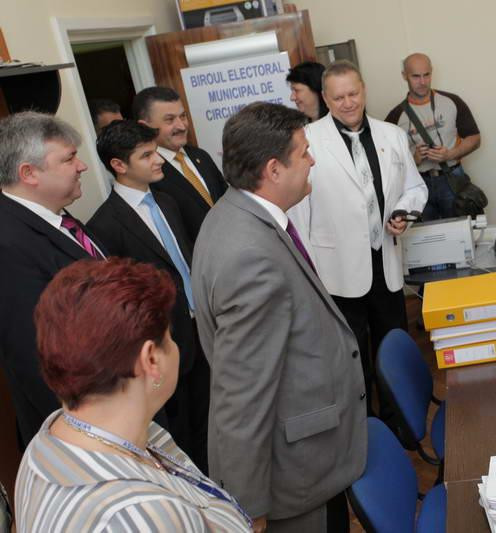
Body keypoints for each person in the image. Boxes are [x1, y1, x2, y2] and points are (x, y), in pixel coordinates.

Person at [192, 102, 366, 533]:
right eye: (304, 152)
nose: (312, 161)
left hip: (312, 456)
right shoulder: (249, 255)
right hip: (295, 479)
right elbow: (241, 395)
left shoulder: (238, 214)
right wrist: (247, 506)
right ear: (273, 169)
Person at [14, 258, 251, 531]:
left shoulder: (56, 434)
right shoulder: (139, 518)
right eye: (170, 336)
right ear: (151, 359)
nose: (175, 346)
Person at [289, 60, 427, 418]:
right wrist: (307, 274)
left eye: (353, 94)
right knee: (351, 362)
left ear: (364, 90)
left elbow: (415, 187)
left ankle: (401, 424)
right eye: (338, 98)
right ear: (325, 98)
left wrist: (404, 212)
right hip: (335, 272)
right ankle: (363, 430)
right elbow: (298, 212)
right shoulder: (307, 141)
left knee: (392, 351)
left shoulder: (391, 135)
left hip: (385, 263)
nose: (348, 103)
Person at [87, 120, 210, 474]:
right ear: (119, 165)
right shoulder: (104, 225)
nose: (158, 160)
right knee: (181, 438)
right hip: (162, 346)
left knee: (210, 423)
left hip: (201, 330)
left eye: (155, 151)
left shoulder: (168, 202)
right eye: (146, 155)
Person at [0, 111, 106, 447]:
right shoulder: (8, 243)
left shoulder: (59, 218)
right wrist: (89, 434)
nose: (82, 166)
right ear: (29, 173)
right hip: (88, 429)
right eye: (69, 158)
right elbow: (34, 356)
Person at [385, 53, 481, 220]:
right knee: (426, 235)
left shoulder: (452, 101)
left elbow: (475, 138)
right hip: (417, 183)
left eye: (426, 75)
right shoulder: (395, 116)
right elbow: (388, 162)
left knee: (462, 231)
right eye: (416, 76)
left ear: (432, 72)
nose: (422, 82)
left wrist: (450, 154)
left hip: (452, 178)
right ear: (404, 76)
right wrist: (413, 160)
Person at [133, 86, 227, 244]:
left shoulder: (201, 156)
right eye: (169, 120)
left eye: (183, 116)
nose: (182, 126)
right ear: (145, 127)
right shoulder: (148, 175)